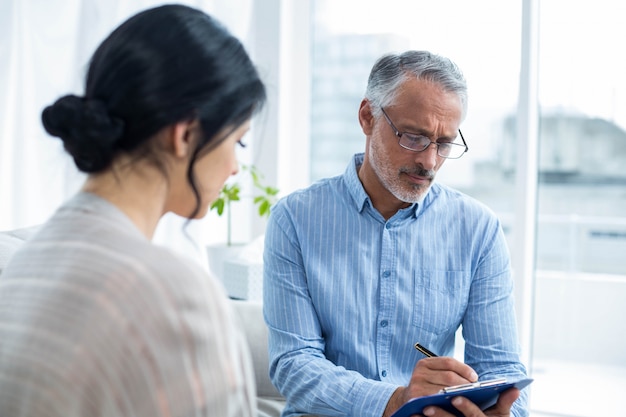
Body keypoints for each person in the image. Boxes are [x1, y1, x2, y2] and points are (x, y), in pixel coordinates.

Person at [0, 4, 266, 417]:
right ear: (186, 134)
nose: (234, 167)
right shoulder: (176, 295)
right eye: (238, 142)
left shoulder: (21, 268)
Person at [263, 50, 529, 417]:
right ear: (367, 117)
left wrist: (504, 412)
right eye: (414, 137)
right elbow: (294, 364)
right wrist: (395, 401)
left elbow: (502, 368)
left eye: (444, 143)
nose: (429, 161)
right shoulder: (294, 219)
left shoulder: (478, 229)